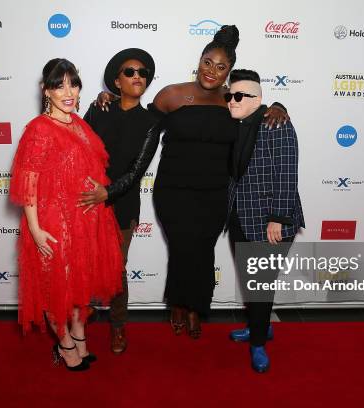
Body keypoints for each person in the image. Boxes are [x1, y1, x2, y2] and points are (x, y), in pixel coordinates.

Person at [83, 25, 289, 339]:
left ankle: (195, 308)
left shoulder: (234, 101)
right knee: (181, 250)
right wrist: (110, 96)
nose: (212, 71)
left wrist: (279, 107)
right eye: (208, 62)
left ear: (228, 72)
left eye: (221, 67)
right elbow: (140, 133)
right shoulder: (172, 95)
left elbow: (259, 115)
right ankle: (179, 306)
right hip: (173, 193)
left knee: (204, 253)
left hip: (215, 194)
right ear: (200, 60)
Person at [9, 58, 123, 371]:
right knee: (56, 288)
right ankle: (66, 345)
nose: (68, 91)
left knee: (78, 288)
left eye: (73, 83)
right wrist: (34, 229)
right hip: (53, 223)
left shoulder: (78, 123)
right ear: (46, 90)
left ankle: (80, 336)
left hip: (82, 223)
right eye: (59, 85)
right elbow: (28, 181)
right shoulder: (39, 130)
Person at [225, 69, 304, 373]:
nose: (232, 100)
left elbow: (287, 174)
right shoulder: (234, 124)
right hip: (237, 215)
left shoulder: (276, 123)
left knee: (261, 283)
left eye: (240, 96)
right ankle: (259, 326)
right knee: (252, 282)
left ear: (258, 99)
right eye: (229, 95)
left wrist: (279, 219)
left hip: (271, 220)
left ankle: (258, 342)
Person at [82, 48, 157, 354]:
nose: (137, 76)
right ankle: (79, 316)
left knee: (116, 270)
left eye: (142, 73)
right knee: (84, 263)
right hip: (86, 202)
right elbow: (79, 146)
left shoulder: (150, 121)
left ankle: (118, 326)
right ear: (116, 80)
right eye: (129, 72)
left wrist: (108, 193)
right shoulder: (99, 109)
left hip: (122, 206)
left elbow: (138, 169)